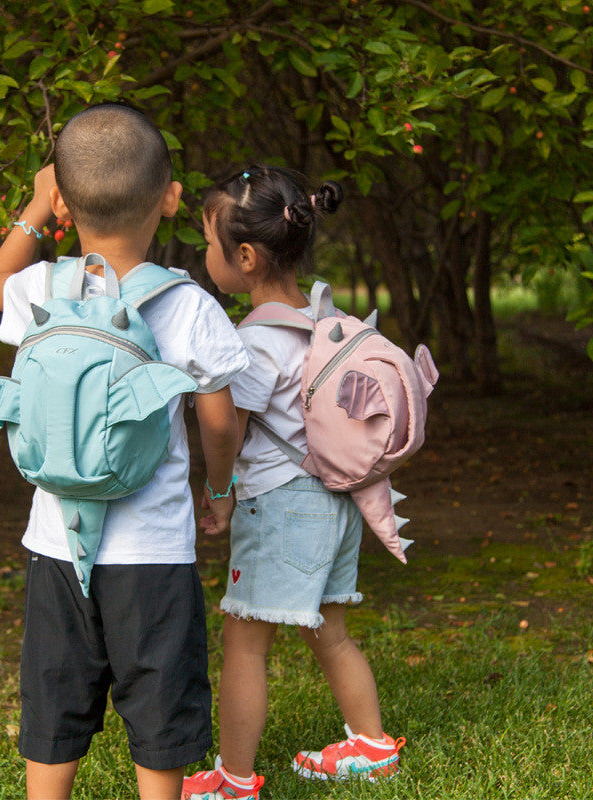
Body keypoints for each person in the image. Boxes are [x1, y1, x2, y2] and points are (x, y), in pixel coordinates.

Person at [0, 104, 249, 800]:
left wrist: (37, 208)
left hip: (54, 541)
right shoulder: (188, 305)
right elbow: (219, 424)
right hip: (154, 551)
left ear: (66, 205)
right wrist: (217, 492)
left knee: (55, 688)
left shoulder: (38, 289)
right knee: (160, 694)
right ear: (170, 198)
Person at [182, 166, 406, 800]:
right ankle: (370, 744)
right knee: (329, 630)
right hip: (336, 501)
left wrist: (218, 494)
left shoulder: (252, 342)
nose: (206, 256)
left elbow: (226, 429)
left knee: (244, 644)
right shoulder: (317, 319)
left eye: (209, 243)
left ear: (245, 256)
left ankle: (232, 779)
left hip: (280, 505)